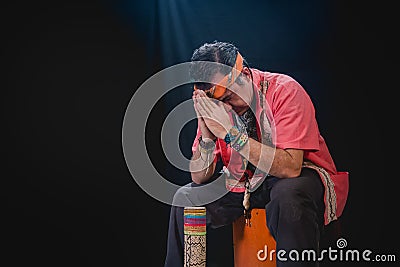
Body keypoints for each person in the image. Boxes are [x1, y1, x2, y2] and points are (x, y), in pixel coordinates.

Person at [164, 40, 349, 267]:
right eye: (218, 103)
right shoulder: (219, 106)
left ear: (243, 74)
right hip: (245, 180)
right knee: (186, 198)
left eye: (228, 98)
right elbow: (199, 177)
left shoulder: (285, 90)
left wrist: (231, 133)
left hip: (296, 176)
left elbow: (291, 168)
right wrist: (206, 136)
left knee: (289, 194)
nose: (227, 108)